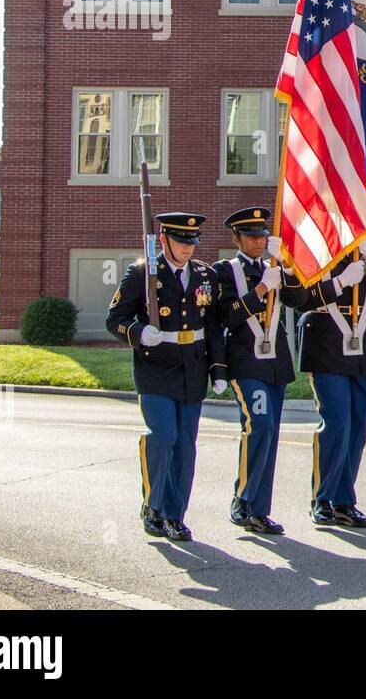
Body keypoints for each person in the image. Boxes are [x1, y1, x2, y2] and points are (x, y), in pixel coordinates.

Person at [107, 212, 226, 542]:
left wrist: (219, 369)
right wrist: (139, 332)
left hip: (193, 369)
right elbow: (114, 319)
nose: (188, 249)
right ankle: (153, 505)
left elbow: (213, 326)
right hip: (156, 369)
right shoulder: (143, 274)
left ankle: (175, 515)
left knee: (186, 445)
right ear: (163, 240)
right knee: (163, 436)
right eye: (180, 242)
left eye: (192, 242)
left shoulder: (206, 275)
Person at [213, 207, 311, 535]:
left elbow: (300, 299)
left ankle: (259, 509)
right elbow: (227, 315)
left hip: (275, 364)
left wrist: (285, 266)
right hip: (245, 362)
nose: (258, 241)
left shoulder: (275, 266)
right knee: (260, 426)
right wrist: (259, 291)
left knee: (271, 435)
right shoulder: (225, 271)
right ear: (236, 239)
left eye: (261, 235)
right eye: (250, 236)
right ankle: (242, 499)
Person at [296, 234, 366, 528]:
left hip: (363, 343)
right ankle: (322, 498)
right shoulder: (316, 243)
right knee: (337, 423)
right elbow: (302, 298)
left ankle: (344, 500)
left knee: (357, 427)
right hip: (326, 342)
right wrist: (339, 283)